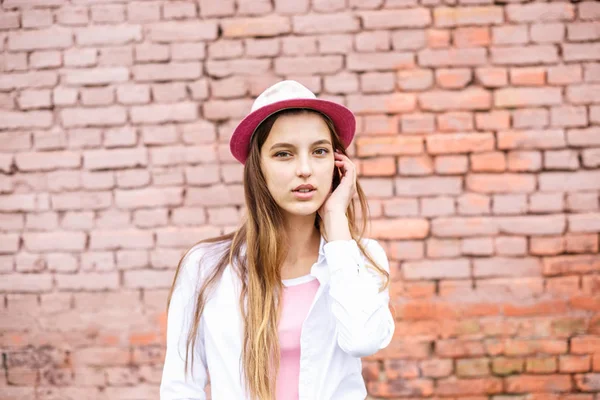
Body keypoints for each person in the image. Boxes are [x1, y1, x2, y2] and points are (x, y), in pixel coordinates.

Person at [159, 80, 395, 400]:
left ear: (337, 164)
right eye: (283, 154)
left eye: (319, 151)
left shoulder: (361, 258)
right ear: (260, 168)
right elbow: (180, 387)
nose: (305, 169)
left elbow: (363, 340)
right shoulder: (206, 266)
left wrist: (337, 221)